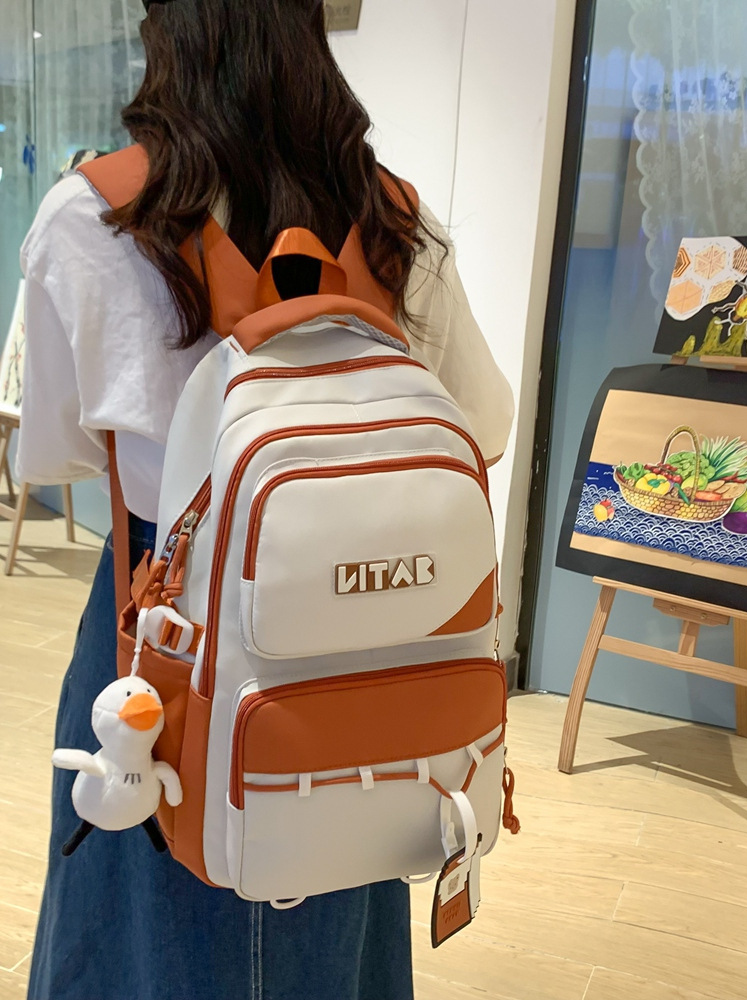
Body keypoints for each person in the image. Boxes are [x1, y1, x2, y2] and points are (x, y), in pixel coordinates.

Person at [17, 1, 514, 998]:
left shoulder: (93, 213)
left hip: (161, 619)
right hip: (366, 629)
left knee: (151, 919)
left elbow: (58, 454)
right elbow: (485, 425)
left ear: (165, 34)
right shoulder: (393, 217)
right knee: (337, 857)